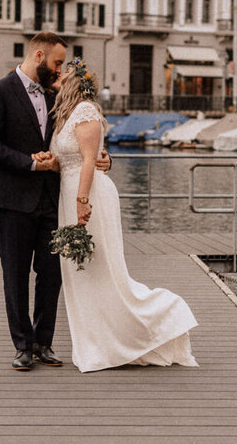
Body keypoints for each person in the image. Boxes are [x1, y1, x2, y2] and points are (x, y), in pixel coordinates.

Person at [50, 57, 198, 372]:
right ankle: (98, 339)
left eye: (64, 73)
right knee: (83, 274)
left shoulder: (86, 111)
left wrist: (82, 200)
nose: (59, 76)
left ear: (74, 81)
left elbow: (89, 160)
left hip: (88, 198)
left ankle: (163, 315)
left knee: (103, 271)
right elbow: (69, 158)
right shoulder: (66, 115)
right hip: (70, 195)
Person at [0, 32, 110, 371]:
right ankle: (22, 345)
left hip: (51, 201)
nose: (59, 69)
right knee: (16, 275)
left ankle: (43, 342)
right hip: (10, 201)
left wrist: (103, 158)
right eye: (57, 63)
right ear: (39, 56)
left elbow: (80, 143)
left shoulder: (56, 97)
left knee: (52, 274)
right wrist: (31, 162)